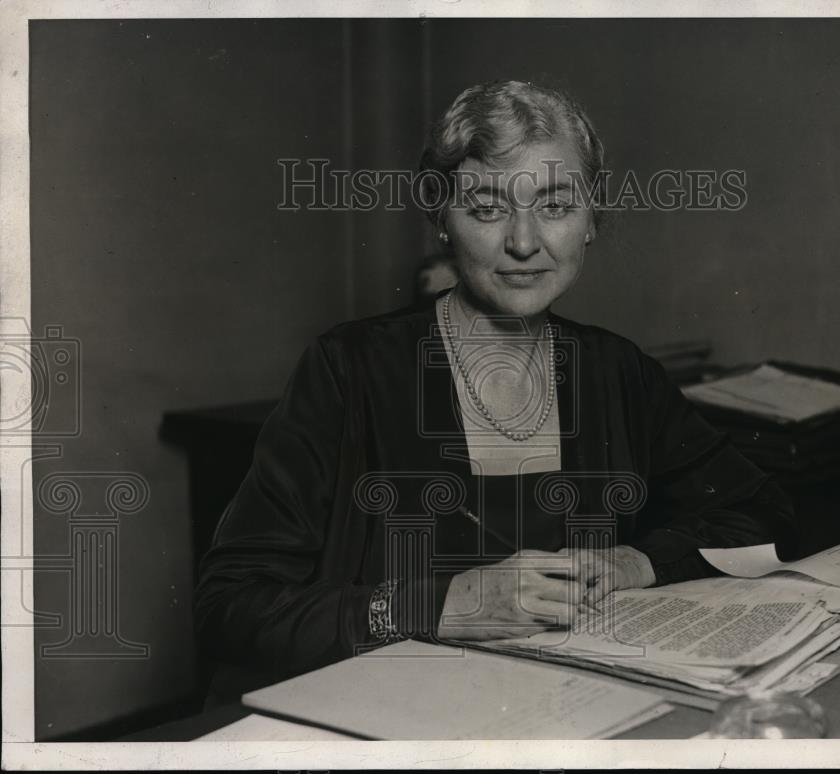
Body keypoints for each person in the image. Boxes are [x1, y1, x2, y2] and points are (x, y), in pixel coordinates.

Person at [194, 80, 797, 701]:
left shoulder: (618, 371)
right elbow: (230, 606)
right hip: (390, 718)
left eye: (557, 206)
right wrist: (446, 605)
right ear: (441, 220)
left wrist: (638, 563)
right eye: (486, 209)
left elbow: (759, 512)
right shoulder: (349, 369)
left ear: (593, 219)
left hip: (571, 709)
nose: (524, 242)